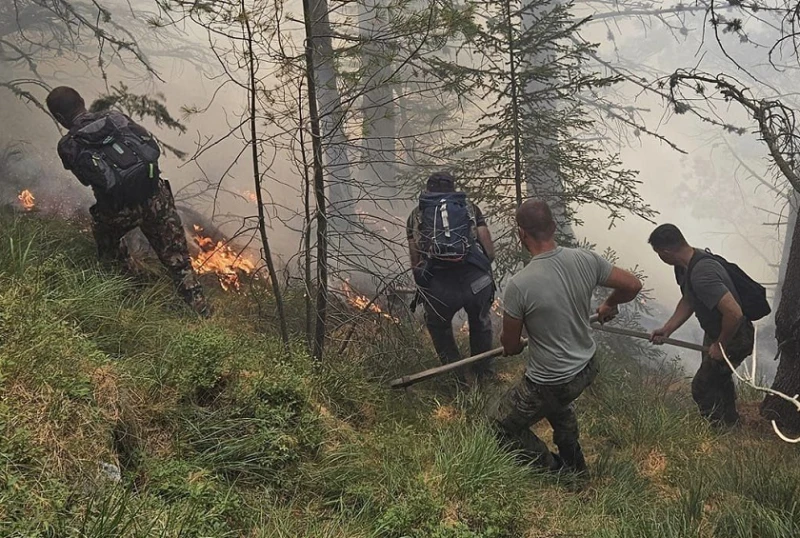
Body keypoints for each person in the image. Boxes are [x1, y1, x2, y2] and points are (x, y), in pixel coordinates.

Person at [491, 200, 642, 473]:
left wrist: (512, 344)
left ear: (522, 234)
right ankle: (576, 465)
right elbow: (632, 285)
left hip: (551, 380)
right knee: (556, 402)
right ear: (553, 227)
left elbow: (511, 346)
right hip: (586, 367)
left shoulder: (520, 285)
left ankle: (554, 469)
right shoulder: (586, 259)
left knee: (498, 426)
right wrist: (610, 304)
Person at [46, 86, 210, 317]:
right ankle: (201, 311)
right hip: (155, 197)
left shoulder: (68, 145)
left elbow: (86, 180)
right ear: (83, 100)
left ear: (59, 118)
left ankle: (129, 286)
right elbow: (149, 147)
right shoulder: (114, 117)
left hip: (118, 210)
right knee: (179, 263)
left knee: (107, 241)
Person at [648, 224, 755, 427]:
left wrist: (721, 345)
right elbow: (690, 299)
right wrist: (668, 328)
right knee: (718, 378)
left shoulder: (702, 273)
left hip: (734, 335)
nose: (659, 257)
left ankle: (717, 432)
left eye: (658, 252)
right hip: (718, 332)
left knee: (702, 386)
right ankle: (731, 425)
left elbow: (734, 313)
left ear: (666, 251)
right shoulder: (686, 266)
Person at [407, 171, 496, 386]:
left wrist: (425, 286)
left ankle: (457, 378)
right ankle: (483, 374)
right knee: (480, 322)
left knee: (438, 326)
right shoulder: (468, 208)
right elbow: (489, 250)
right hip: (476, 282)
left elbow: (415, 260)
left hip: (440, 288)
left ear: (428, 189)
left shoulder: (417, 214)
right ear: (453, 188)